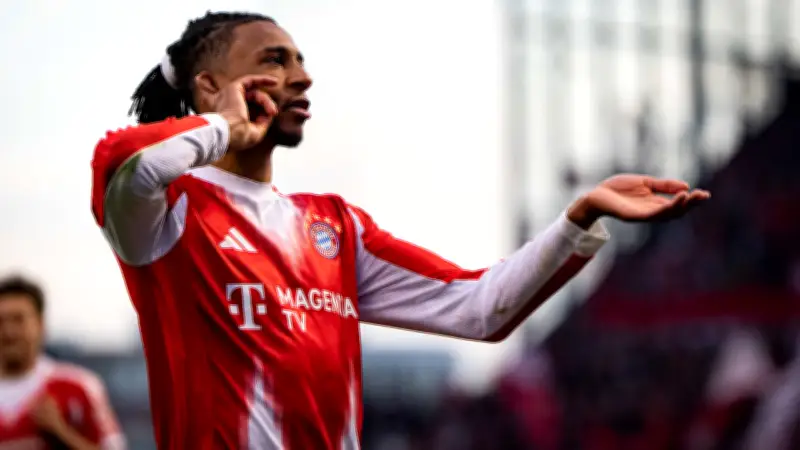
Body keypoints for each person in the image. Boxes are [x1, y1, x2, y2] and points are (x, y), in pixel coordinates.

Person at [89, 11, 709, 450]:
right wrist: (224, 127)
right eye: (275, 61)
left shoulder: (333, 225)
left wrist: (580, 217)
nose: (302, 77)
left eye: (301, 61)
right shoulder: (169, 212)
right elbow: (124, 164)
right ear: (210, 87)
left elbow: (479, 309)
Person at [0, 276, 125, 450]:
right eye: (1, 321)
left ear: (40, 324)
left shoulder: (77, 387)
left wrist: (62, 433)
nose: (9, 332)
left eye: (18, 320)